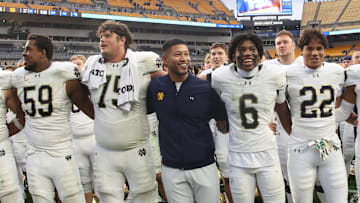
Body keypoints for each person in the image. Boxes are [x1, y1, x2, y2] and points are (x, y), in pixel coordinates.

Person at [81, 20, 164, 203]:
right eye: (101, 37)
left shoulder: (144, 61)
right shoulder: (92, 64)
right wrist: (97, 116)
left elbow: (166, 87)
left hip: (137, 148)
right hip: (105, 150)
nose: (102, 40)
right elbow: (79, 95)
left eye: (108, 36)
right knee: (107, 196)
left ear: (122, 40)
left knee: (145, 194)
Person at [10, 34, 94, 203]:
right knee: (40, 199)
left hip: (62, 153)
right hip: (34, 154)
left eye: (28, 49)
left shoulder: (64, 72)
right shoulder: (18, 77)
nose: (24, 53)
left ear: (43, 52)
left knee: (72, 199)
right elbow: (19, 115)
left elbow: (89, 108)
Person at [147, 38, 228, 203]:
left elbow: (223, 122)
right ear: (164, 60)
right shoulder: (155, 87)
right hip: (172, 168)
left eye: (186, 54)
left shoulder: (204, 88)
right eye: (178, 54)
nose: (184, 58)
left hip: (204, 166)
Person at [211, 33, 289, 203]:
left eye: (252, 49)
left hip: (267, 153)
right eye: (241, 50)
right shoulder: (220, 77)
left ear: (260, 54)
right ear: (233, 55)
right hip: (238, 156)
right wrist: (222, 121)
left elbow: (282, 107)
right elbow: (215, 104)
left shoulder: (274, 75)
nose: (247, 53)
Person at [281, 28, 348, 203]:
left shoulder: (336, 71)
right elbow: (280, 107)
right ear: (301, 50)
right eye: (309, 48)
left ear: (325, 51)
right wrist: (294, 131)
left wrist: (341, 116)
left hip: (331, 146)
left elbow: (339, 99)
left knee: (339, 199)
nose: (315, 53)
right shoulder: (288, 74)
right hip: (300, 148)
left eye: (319, 49)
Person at [69, 55, 96, 203]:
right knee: (84, 183)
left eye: (78, 64)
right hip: (76, 142)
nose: (76, 67)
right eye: (72, 65)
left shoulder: (93, 85)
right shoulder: (66, 87)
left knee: (102, 181)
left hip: (94, 138)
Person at [0, 69, 24, 203]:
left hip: (1, 147)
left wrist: (4, 133)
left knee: (9, 193)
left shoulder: (4, 79)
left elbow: (21, 117)